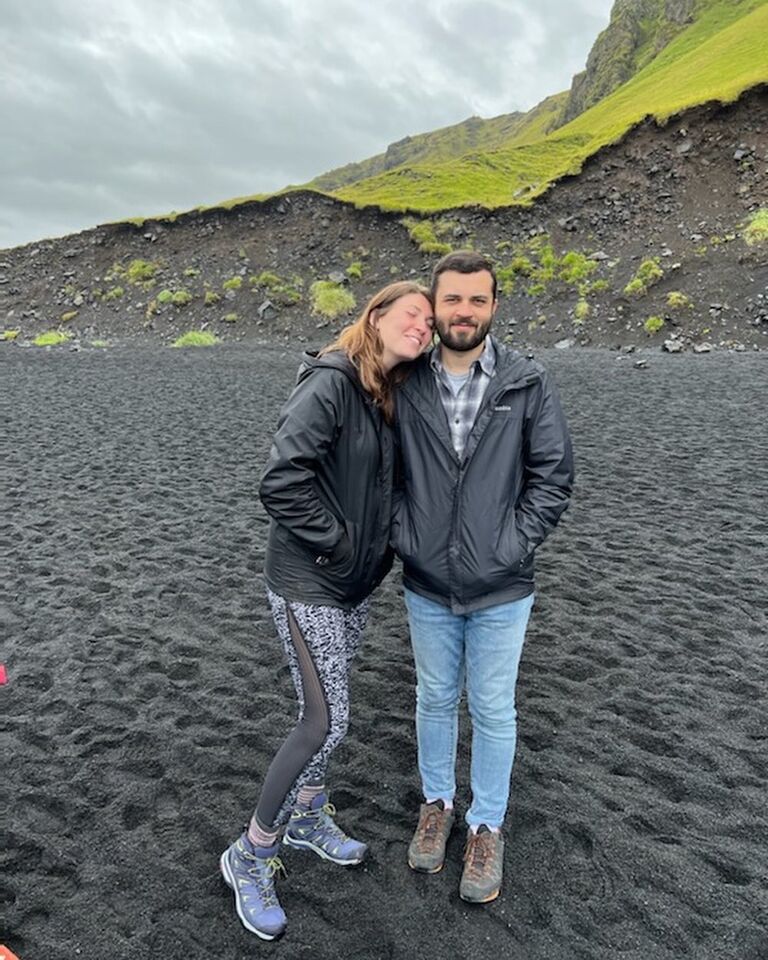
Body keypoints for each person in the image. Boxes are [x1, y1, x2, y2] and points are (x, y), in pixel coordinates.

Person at [219, 281, 434, 940]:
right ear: (375, 314)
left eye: (430, 321)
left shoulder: (385, 394)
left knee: (330, 714)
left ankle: (307, 815)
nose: (422, 326)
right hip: (307, 582)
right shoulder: (333, 382)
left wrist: (373, 553)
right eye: (411, 314)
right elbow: (281, 480)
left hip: (352, 585)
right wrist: (339, 543)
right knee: (324, 720)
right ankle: (250, 853)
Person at [392, 250, 574, 904]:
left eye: (476, 300)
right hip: (426, 581)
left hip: (503, 585)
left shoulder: (528, 381)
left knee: (493, 707)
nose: (463, 312)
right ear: (435, 307)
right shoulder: (407, 382)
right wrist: (404, 534)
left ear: (493, 306)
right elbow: (383, 472)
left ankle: (486, 825)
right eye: (452, 301)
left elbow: (553, 476)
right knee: (435, 696)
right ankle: (436, 804)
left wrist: (511, 543)